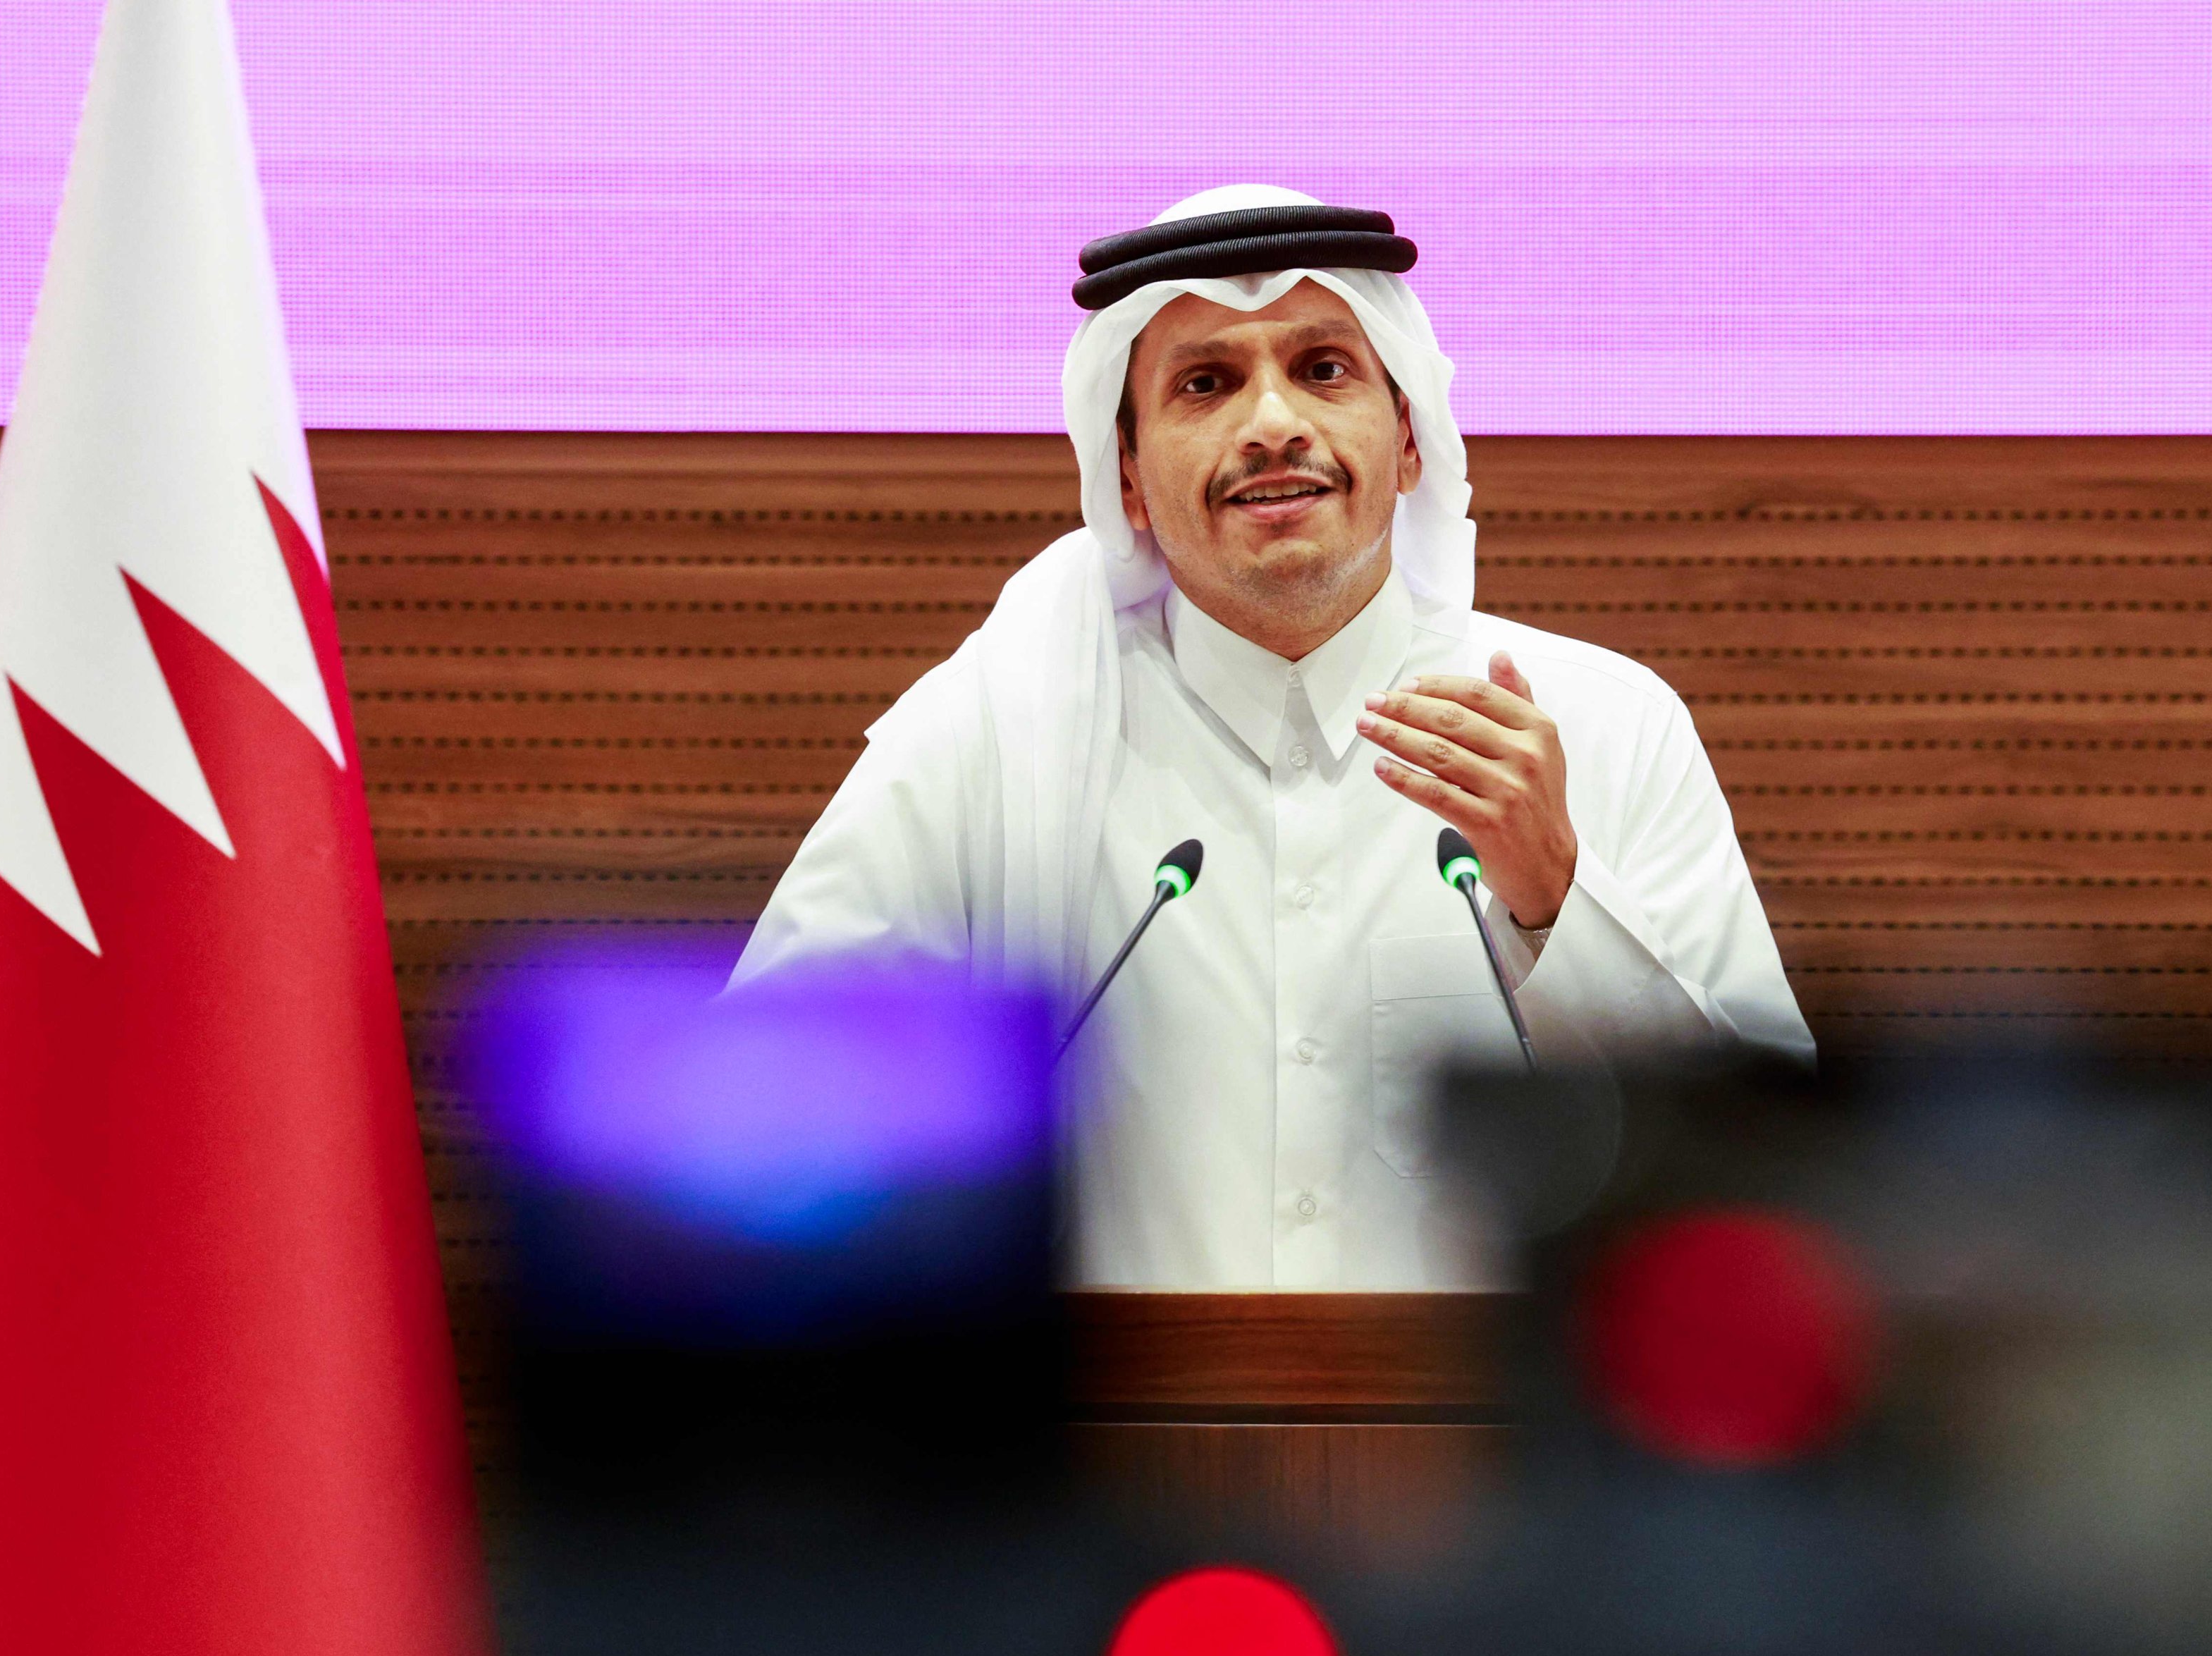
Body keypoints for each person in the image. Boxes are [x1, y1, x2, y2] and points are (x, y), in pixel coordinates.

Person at [733, 185, 1809, 1292]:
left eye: (1324, 369)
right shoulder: (990, 736)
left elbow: (1783, 1176)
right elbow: (765, 1107)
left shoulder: (1603, 724)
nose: (1272, 423)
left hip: (1504, 1454)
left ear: (1408, 441)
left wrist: (1556, 898)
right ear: (1128, 478)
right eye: (1206, 383)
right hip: (1107, 1455)